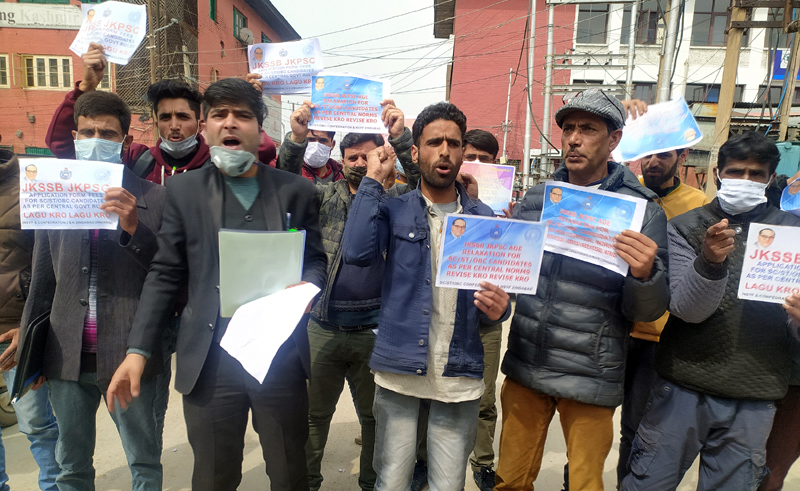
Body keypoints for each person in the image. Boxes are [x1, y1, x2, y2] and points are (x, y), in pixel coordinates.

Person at [107, 77, 327, 491]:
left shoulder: (295, 190)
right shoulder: (185, 191)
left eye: (242, 116)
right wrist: (137, 350)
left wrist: (308, 289)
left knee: (288, 472)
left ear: (259, 131)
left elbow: (315, 260)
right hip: (209, 360)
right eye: (220, 115)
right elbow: (166, 271)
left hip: (277, 357)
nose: (231, 124)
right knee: (212, 476)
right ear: (205, 127)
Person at [494, 89, 669, 491]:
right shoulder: (538, 198)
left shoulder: (642, 210)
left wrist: (644, 275)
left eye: (587, 129)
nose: (573, 138)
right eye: (568, 128)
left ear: (614, 140)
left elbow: (648, 310)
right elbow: (508, 276)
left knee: (585, 484)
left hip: (591, 373)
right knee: (509, 480)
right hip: (526, 363)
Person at [341, 101, 511, 491]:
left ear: (463, 151)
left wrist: (500, 310)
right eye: (435, 142)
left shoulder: (484, 218)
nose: (445, 151)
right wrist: (372, 182)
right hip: (400, 369)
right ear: (416, 152)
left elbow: (492, 302)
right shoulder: (394, 209)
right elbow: (356, 253)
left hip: (457, 375)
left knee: (447, 485)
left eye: (454, 143)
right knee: (393, 481)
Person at [622, 132, 800, 491]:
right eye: (736, 172)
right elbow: (687, 310)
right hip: (683, 384)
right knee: (647, 484)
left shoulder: (792, 234)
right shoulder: (686, 227)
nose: (745, 181)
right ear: (718, 173)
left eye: (756, 174)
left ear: (770, 178)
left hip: (755, 392)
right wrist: (710, 262)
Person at [18, 90, 167, 490]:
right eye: (86, 132)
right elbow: (43, 277)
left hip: (129, 353)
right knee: (72, 465)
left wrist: (135, 227)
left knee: (144, 462)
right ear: (75, 135)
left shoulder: (154, 196)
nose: (94, 139)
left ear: (123, 140)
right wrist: (31, 346)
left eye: (106, 132)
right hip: (66, 355)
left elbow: (167, 272)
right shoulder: (55, 192)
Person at [293, 99, 418, 491]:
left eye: (369, 156)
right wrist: (297, 138)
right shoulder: (322, 196)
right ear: (340, 159)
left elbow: (424, 183)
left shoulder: (397, 200)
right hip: (323, 326)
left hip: (375, 330)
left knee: (374, 419)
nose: (361, 164)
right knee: (313, 417)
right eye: (353, 157)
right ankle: (306, 484)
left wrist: (400, 139)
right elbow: (281, 183)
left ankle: (370, 484)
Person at [45, 45, 308, 179]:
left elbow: (260, 152)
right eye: (165, 117)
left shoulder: (219, 162)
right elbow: (62, 146)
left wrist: (247, 106)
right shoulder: (138, 160)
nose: (174, 125)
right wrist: (86, 87)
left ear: (200, 123)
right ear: (156, 123)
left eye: (183, 117)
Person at [615, 146, 709, 486]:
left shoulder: (698, 204)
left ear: (681, 158)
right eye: (648, 155)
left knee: (637, 427)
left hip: (659, 335)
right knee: (588, 419)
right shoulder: (625, 194)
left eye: (664, 155)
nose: (654, 162)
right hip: (615, 326)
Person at [0, 142, 59, 491]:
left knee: (36, 422)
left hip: (16, 330)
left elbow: (51, 261)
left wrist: (29, 323)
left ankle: (54, 485)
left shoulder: (30, 183)